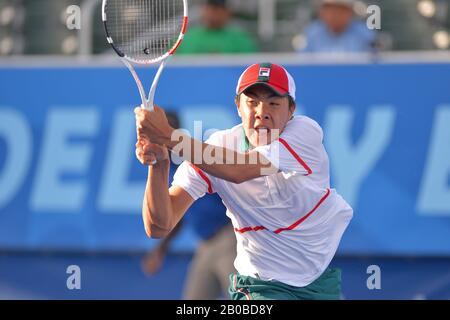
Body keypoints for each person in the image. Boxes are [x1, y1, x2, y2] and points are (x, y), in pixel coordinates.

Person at [134, 62, 353, 300]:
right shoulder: (219, 146)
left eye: (274, 103)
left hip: (318, 282)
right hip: (261, 286)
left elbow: (239, 170)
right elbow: (158, 226)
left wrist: (168, 136)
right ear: (238, 106)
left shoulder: (305, 133)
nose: (262, 111)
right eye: (252, 102)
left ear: (291, 110)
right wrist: (159, 164)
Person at [141, 111, 236, 300]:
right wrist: (161, 249)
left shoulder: (198, 158)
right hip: (204, 245)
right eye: (158, 130)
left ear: (177, 131)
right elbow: (176, 216)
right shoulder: (166, 169)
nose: (163, 135)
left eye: (168, 129)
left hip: (230, 240)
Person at [176, 0, 258, 54]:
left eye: (217, 8)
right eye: (209, 7)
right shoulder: (184, 39)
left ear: (227, 12)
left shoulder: (242, 40)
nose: (212, 12)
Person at [301, 0, 376, 53]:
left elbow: (372, 68)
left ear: (349, 12)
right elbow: (302, 65)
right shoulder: (312, 33)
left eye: (339, 10)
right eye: (329, 9)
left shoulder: (364, 34)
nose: (334, 15)